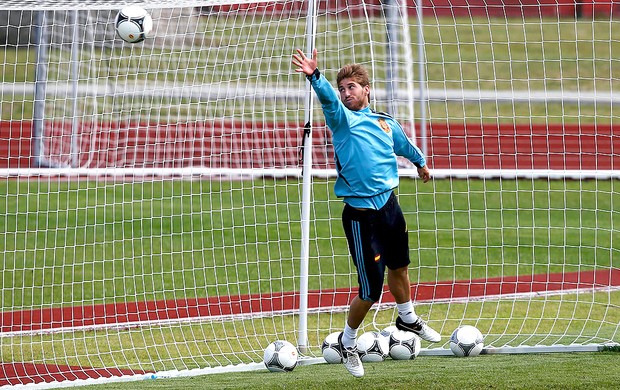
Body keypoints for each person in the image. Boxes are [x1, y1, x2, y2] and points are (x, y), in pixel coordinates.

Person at [292, 48, 441, 377]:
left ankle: (408, 318)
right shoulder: (342, 121)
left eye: (351, 87)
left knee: (400, 267)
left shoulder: (385, 123)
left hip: (390, 207)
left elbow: (404, 145)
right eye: (342, 88)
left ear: (366, 89)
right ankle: (347, 341)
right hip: (361, 217)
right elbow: (328, 101)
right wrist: (316, 78)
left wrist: (420, 165)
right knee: (370, 289)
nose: (346, 93)